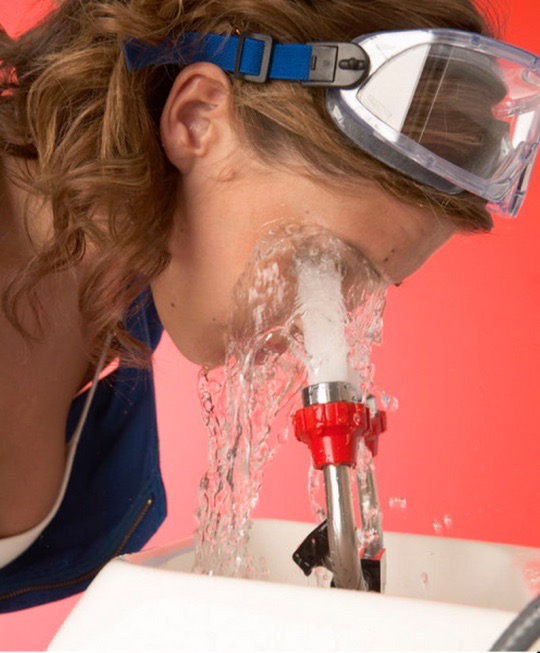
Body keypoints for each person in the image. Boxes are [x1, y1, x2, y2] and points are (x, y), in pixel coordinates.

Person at [0, 0, 537, 611]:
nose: (321, 328)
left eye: (367, 292)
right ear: (197, 119)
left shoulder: (131, 276)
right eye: (322, 265)